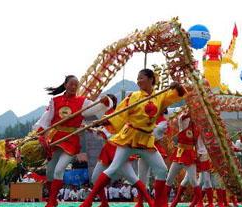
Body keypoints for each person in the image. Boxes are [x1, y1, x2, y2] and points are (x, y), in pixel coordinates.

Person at [80, 68, 186, 207]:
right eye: (137, 78)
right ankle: (88, 201)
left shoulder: (161, 97)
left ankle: (161, 204)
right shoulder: (133, 96)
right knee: (113, 168)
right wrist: (103, 122)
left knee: (161, 170)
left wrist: (176, 86)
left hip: (146, 139)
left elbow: (179, 94)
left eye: (141, 78)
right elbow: (119, 115)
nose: (138, 81)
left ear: (151, 79)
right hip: (129, 137)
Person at [33, 75, 113, 207]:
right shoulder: (55, 100)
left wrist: (105, 101)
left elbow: (97, 106)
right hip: (55, 138)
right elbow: (46, 118)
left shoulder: (82, 102)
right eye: (71, 84)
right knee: (49, 171)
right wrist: (39, 132)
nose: (74, 87)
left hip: (70, 140)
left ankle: (51, 202)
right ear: (65, 85)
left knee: (59, 169)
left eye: (76, 85)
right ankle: (53, 199)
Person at [89, 94, 153, 207]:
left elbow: (114, 134)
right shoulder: (106, 115)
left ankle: (150, 202)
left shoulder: (117, 115)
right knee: (95, 178)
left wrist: (100, 130)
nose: (102, 104)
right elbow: (103, 134)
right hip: (107, 150)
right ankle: (104, 203)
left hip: (117, 149)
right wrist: (94, 130)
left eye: (104, 102)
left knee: (132, 177)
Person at [165, 110, 201, 207]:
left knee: (193, 181)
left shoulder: (198, 129)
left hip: (190, 156)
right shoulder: (184, 123)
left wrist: (199, 156)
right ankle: (164, 202)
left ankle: (200, 203)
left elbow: (199, 145)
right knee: (169, 179)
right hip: (179, 154)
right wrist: (187, 114)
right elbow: (182, 117)